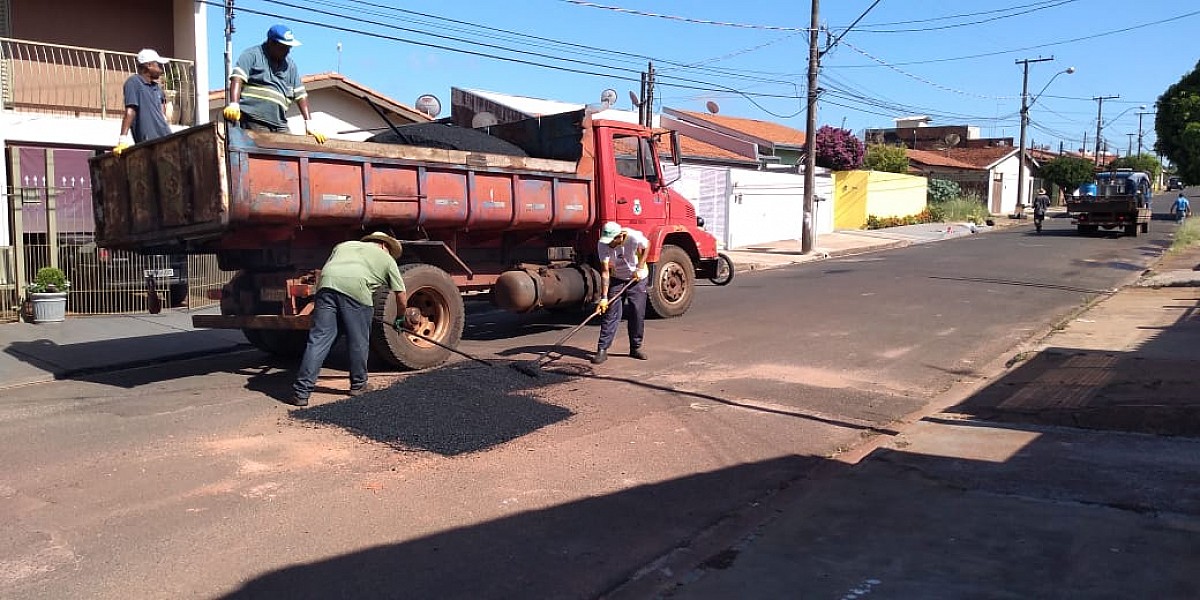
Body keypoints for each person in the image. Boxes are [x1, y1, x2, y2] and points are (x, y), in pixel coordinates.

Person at [290, 232, 414, 406]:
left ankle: (301, 393)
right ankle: (358, 385)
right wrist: (400, 317)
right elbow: (401, 294)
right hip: (356, 291)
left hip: (326, 287)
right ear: (385, 246)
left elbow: (330, 270)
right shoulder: (386, 258)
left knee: (318, 340)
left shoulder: (343, 245)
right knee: (358, 341)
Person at [222, 24, 326, 143]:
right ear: (271, 43)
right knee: (266, 148)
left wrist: (309, 123)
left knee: (290, 150)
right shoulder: (252, 55)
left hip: (279, 122)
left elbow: (300, 95)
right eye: (283, 47)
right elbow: (237, 78)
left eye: (289, 48)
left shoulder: (290, 66)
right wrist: (234, 104)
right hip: (254, 118)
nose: (287, 51)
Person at [592, 221, 650, 365]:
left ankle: (635, 347)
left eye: (612, 241)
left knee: (637, 312)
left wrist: (640, 266)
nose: (609, 244)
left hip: (638, 278)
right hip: (617, 278)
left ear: (620, 236)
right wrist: (604, 297)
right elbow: (605, 272)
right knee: (610, 312)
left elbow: (647, 246)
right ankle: (602, 349)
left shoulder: (633, 237)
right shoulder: (602, 245)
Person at [114, 49, 173, 155]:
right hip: (149, 141)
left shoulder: (157, 88)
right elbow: (130, 111)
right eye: (158, 65)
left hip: (166, 137)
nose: (161, 70)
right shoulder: (134, 82)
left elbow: (162, 114)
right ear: (149, 65)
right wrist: (122, 139)